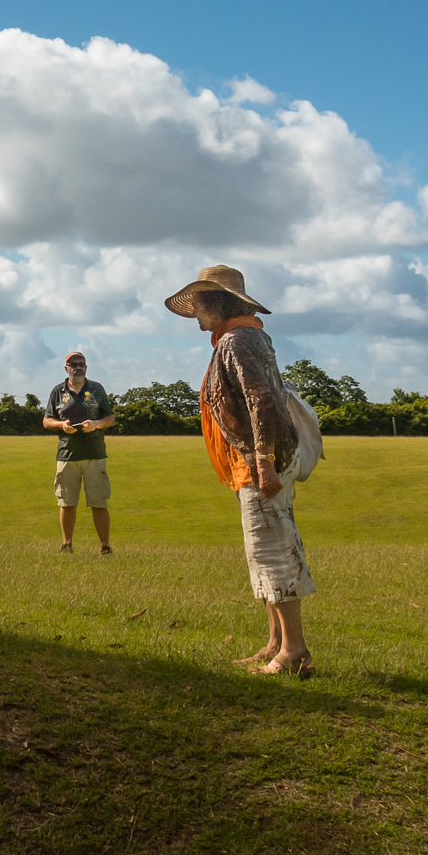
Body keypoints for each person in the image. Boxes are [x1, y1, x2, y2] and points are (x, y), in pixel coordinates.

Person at [165, 265, 316, 676]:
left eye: (199, 304)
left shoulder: (237, 341)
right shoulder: (243, 338)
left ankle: (294, 652)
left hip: (258, 463)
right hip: (249, 463)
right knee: (264, 551)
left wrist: (263, 461)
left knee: (274, 552)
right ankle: (276, 643)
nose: (195, 313)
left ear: (217, 303)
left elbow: (261, 400)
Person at [43, 352, 115, 554]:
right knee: (66, 502)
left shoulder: (96, 389)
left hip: (95, 454)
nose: (77, 367)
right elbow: (47, 420)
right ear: (65, 367)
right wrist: (61, 425)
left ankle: (105, 547)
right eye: (73, 364)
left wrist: (96, 424)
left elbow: (110, 418)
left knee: (99, 502)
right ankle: (67, 545)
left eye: (81, 364)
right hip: (67, 454)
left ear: (86, 366)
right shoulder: (58, 391)